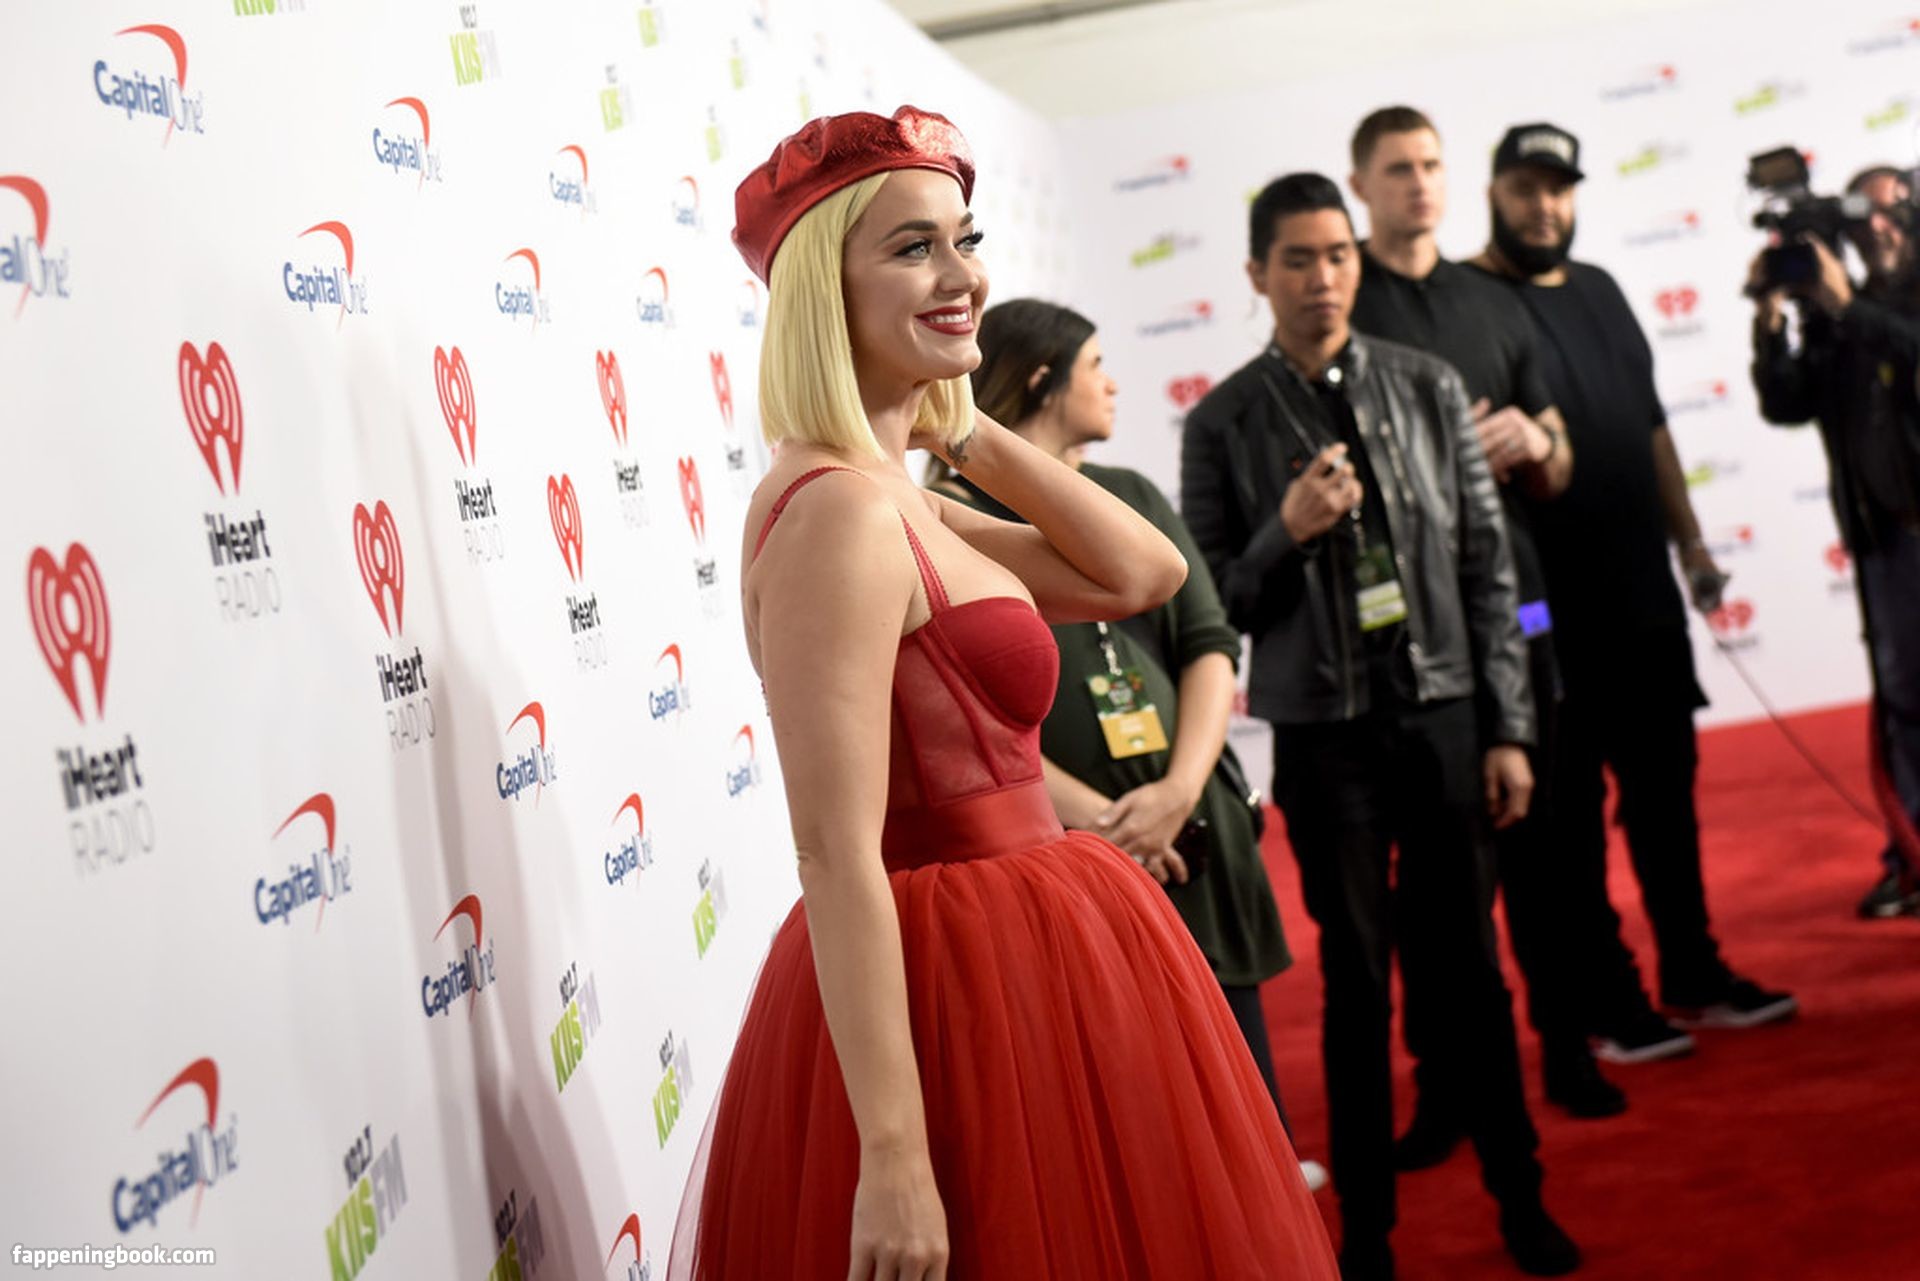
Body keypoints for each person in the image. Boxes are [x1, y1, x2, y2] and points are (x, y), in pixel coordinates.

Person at [669, 107, 1338, 1281]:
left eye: (965, 240)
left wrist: (961, 429)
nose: (962, 276)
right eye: (913, 247)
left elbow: (1143, 573)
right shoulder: (837, 514)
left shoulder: (898, 496)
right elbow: (834, 854)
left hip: (1043, 949)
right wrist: (894, 1152)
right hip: (951, 984)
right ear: (826, 291)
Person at [1181, 171, 1578, 1280]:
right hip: (1324, 736)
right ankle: (1366, 1239)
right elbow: (1213, 601)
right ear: (1257, 273)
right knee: (1356, 981)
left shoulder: (1428, 384)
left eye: (1338, 256)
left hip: (1445, 715)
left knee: (1473, 968)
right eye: (1298, 259)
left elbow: (1487, 568)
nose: (1323, 278)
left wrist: (1508, 727)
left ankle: (1521, 1197)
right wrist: (1287, 530)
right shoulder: (1222, 421)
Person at [927, 297, 1326, 1192]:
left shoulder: (1131, 496)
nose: (1112, 383)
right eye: (1095, 364)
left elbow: (1210, 641)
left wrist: (1178, 793)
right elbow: (958, 713)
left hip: (1193, 829)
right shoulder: (943, 515)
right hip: (1066, 853)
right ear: (1042, 379)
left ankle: (1261, 1193)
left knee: (1243, 1076)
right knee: (1129, 1112)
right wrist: (1106, 827)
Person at [1468, 122, 1796, 1066]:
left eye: (1559, 189)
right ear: (1493, 195)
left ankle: (1693, 968)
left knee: (1666, 798)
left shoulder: (1603, 289)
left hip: (1644, 594)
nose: (1545, 207)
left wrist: (1691, 546)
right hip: (1541, 612)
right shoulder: (1469, 305)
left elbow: (1652, 430)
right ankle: (1606, 999)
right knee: (1568, 817)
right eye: (1527, 189)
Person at [1344, 106, 1626, 1148]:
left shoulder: (1491, 300)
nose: (1418, 183)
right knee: (1432, 877)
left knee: (1553, 841)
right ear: (1361, 184)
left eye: (1430, 164)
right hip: (1410, 632)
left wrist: (1534, 440)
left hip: (1524, 606)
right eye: (1396, 168)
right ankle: (1445, 1086)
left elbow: (1559, 453)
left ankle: (1569, 1046)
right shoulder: (1342, 300)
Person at [1748, 164, 1920, 919]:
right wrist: (1771, 322)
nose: (1875, 228)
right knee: (1905, 709)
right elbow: (1788, 402)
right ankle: (1913, 858)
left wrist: (1847, 307)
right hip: (1885, 544)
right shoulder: (1841, 315)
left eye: (1889, 213)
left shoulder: (1877, 311)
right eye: (1860, 217)